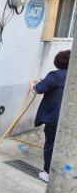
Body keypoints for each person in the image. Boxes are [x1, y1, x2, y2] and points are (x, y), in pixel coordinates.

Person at [29, 50, 71, 183]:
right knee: (66, 146)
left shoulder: (56, 75)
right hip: (69, 118)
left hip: (54, 117)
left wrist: (32, 82)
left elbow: (37, 89)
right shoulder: (71, 76)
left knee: (51, 145)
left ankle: (48, 173)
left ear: (59, 61)